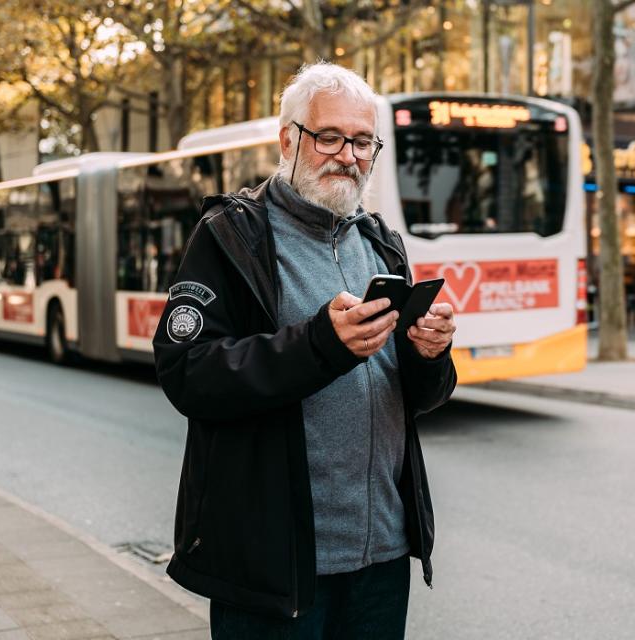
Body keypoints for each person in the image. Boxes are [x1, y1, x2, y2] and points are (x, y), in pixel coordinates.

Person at [152, 62, 457, 640]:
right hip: (276, 566)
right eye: (331, 137)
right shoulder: (231, 237)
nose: (349, 156)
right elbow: (186, 372)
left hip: (382, 558)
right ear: (289, 139)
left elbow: (419, 398)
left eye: (363, 140)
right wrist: (320, 344)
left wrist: (429, 354)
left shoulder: (381, 244)